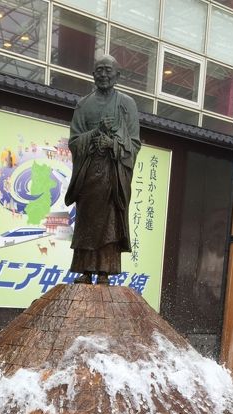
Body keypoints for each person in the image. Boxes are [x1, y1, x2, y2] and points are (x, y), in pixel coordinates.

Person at [65, 55, 141, 284]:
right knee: (87, 222)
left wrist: (113, 144)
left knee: (110, 223)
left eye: (108, 70)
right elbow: (74, 142)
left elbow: (134, 143)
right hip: (89, 172)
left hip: (112, 174)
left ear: (117, 75)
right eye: (99, 70)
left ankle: (105, 271)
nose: (103, 74)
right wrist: (96, 133)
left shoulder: (127, 104)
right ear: (92, 74)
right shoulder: (83, 104)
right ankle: (86, 270)